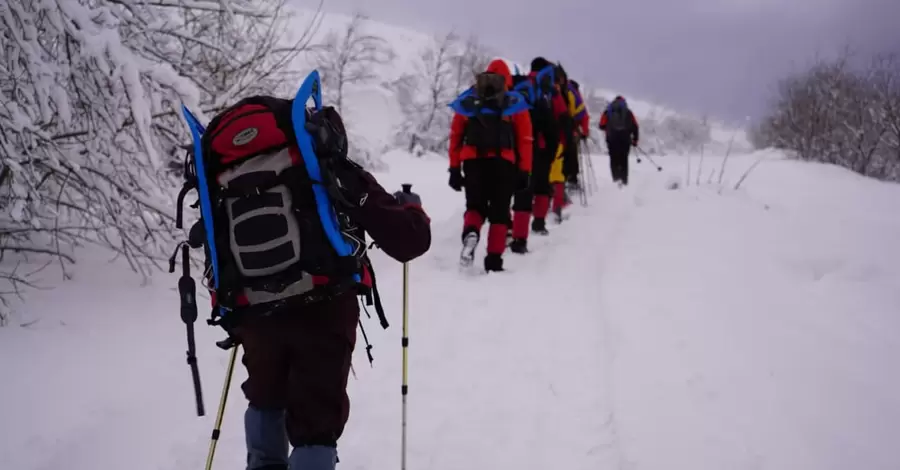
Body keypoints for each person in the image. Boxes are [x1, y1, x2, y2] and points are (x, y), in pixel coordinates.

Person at [180, 86, 432, 470]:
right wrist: (412, 209)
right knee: (316, 426)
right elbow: (408, 240)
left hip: (253, 311)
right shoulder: (322, 165)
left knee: (265, 397)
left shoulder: (224, 175)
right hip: (324, 307)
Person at [448, 58, 533, 271]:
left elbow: (456, 136)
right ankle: (494, 261)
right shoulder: (514, 102)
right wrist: (524, 170)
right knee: (499, 212)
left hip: (473, 161)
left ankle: (471, 232)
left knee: (475, 206)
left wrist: (454, 168)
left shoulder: (469, 99)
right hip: (504, 164)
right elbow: (525, 139)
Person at [508, 58, 559, 253]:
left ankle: (506, 231)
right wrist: (551, 150)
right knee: (539, 186)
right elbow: (550, 125)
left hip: (512, 145)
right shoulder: (541, 90)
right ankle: (532, 229)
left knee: (516, 190)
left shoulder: (515, 85)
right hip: (537, 146)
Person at [598, 95, 639, 186]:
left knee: (614, 159)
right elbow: (635, 126)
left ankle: (615, 181)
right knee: (624, 160)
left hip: (612, 139)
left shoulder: (608, 111)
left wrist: (608, 129)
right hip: (625, 140)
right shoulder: (628, 112)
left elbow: (601, 125)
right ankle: (624, 182)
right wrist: (635, 140)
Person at [563, 78, 590, 190]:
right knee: (572, 154)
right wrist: (584, 132)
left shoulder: (561, 89)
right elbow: (584, 116)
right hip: (572, 130)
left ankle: (561, 178)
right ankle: (572, 179)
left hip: (559, 129)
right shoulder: (575, 93)